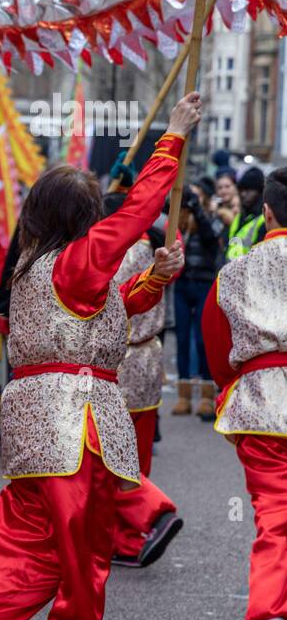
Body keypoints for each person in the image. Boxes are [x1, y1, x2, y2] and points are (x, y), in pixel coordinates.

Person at [0, 93, 198, 620]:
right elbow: (139, 212)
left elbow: (104, 316)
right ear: (87, 217)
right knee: (82, 561)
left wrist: (156, 279)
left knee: (26, 545)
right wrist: (172, 139)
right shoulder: (78, 261)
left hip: (33, 426)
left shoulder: (36, 265)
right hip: (75, 425)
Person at [203, 165, 287, 620]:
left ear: (268, 212)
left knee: (274, 514)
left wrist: (223, 384)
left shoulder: (235, 270)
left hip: (259, 404)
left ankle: (275, 615)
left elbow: (216, 347)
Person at [103, 192, 183, 568]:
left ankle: (125, 534)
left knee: (110, 458)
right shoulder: (157, 248)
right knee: (139, 453)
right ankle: (136, 531)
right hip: (150, 356)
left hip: (117, 361)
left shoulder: (104, 254)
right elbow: (176, 249)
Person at [170, 185, 219, 419]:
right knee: (182, 339)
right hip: (182, 285)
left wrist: (197, 208)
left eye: (198, 195)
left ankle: (207, 396)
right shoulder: (178, 222)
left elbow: (212, 237)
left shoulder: (211, 217)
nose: (192, 199)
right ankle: (184, 396)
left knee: (202, 340)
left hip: (204, 284)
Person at [226, 166, 266, 261]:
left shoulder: (264, 220)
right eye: (241, 190)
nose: (243, 194)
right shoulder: (239, 216)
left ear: (260, 192)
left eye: (249, 190)